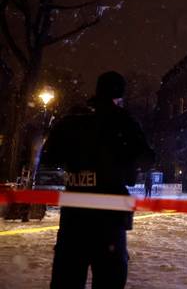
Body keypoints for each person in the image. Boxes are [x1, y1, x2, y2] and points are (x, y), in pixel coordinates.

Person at [41, 71, 154, 289]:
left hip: (74, 218)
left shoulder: (71, 121)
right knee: (109, 279)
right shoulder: (123, 121)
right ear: (119, 96)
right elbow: (147, 158)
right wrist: (123, 163)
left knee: (67, 279)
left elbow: (49, 155)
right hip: (109, 220)